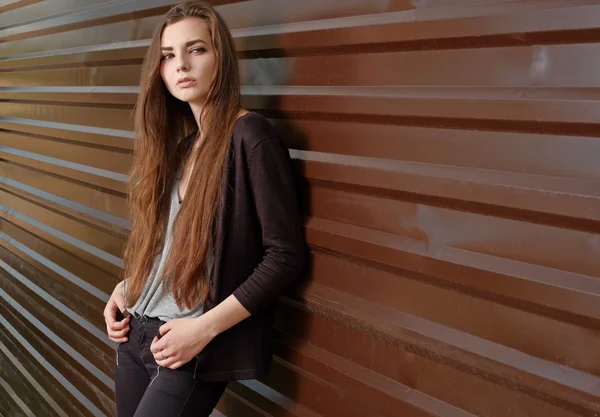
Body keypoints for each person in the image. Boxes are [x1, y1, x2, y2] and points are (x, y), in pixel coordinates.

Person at [102, 1, 306, 416]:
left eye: (196, 50)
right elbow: (170, 245)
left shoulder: (250, 136)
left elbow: (284, 256)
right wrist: (126, 286)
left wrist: (202, 330)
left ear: (220, 59)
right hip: (135, 331)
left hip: (187, 343)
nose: (181, 65)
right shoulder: (183, 147)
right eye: (168, 55)